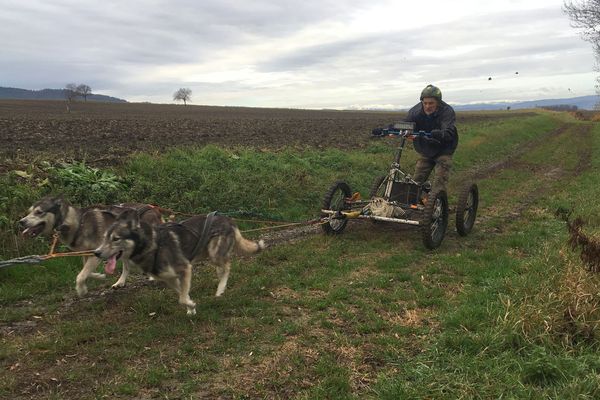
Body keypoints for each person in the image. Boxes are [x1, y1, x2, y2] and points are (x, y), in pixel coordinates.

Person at [373, 84, 458, 194]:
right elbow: (404, 124)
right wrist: (384, 130)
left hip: (444, 148)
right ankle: (415, 204)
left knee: (440, 181)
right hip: (426, 148)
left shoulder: (447, 111)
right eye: (425, 103)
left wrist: (439, 134)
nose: (427, 106)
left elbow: (449, 131)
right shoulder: (415, 112)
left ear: (438, 102)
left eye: (431, 103)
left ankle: (439, 206)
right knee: (416, 180)